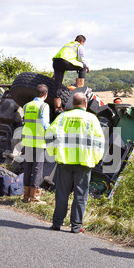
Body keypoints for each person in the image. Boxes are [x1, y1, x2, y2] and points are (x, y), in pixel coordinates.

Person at [45, 92, 105, 233]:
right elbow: (99, 142)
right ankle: (76, 226)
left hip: (64, 161)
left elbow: (49, 134)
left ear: (72, 104)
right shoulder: (91, 118)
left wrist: (52, 152)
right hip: (84, 162)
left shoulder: (63, 117)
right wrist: (95, 159)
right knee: (81, 194)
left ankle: (57, 223)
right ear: (85, 104)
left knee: (62, 193)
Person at [21, 84, 50, 204]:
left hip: (27, 141)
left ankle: (26, 195)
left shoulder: (27, 106)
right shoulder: (44, 106)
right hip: (38, 142)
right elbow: (44, 123)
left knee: (27, 167)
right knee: (38, 169)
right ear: (45, 94)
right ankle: (34, 197)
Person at [52, 35, 90, 113]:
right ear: (82, 41)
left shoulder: (68, 44)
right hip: (65, 62)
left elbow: (62, 61)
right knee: (83, 67)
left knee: (58, 85)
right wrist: (87, 66)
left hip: (56, 62)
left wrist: (55, 74)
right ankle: (80, 91)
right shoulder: (79, 45)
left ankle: (58, 108)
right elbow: (81, 59)